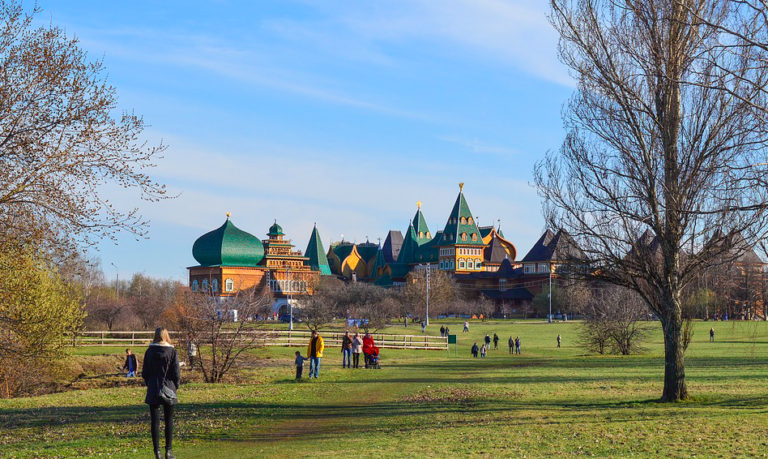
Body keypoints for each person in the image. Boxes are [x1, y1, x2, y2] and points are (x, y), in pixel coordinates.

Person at [142, 327, 180, 459]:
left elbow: (145, 372)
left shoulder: (149, 351)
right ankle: (168, 451)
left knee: (155, 422)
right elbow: (176, 372)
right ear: (166, 336)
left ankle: (157, 452)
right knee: (169, 420)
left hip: (153, 387)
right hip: (169, 387)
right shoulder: (172, 351)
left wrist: (150, 383)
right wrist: (176, 385)